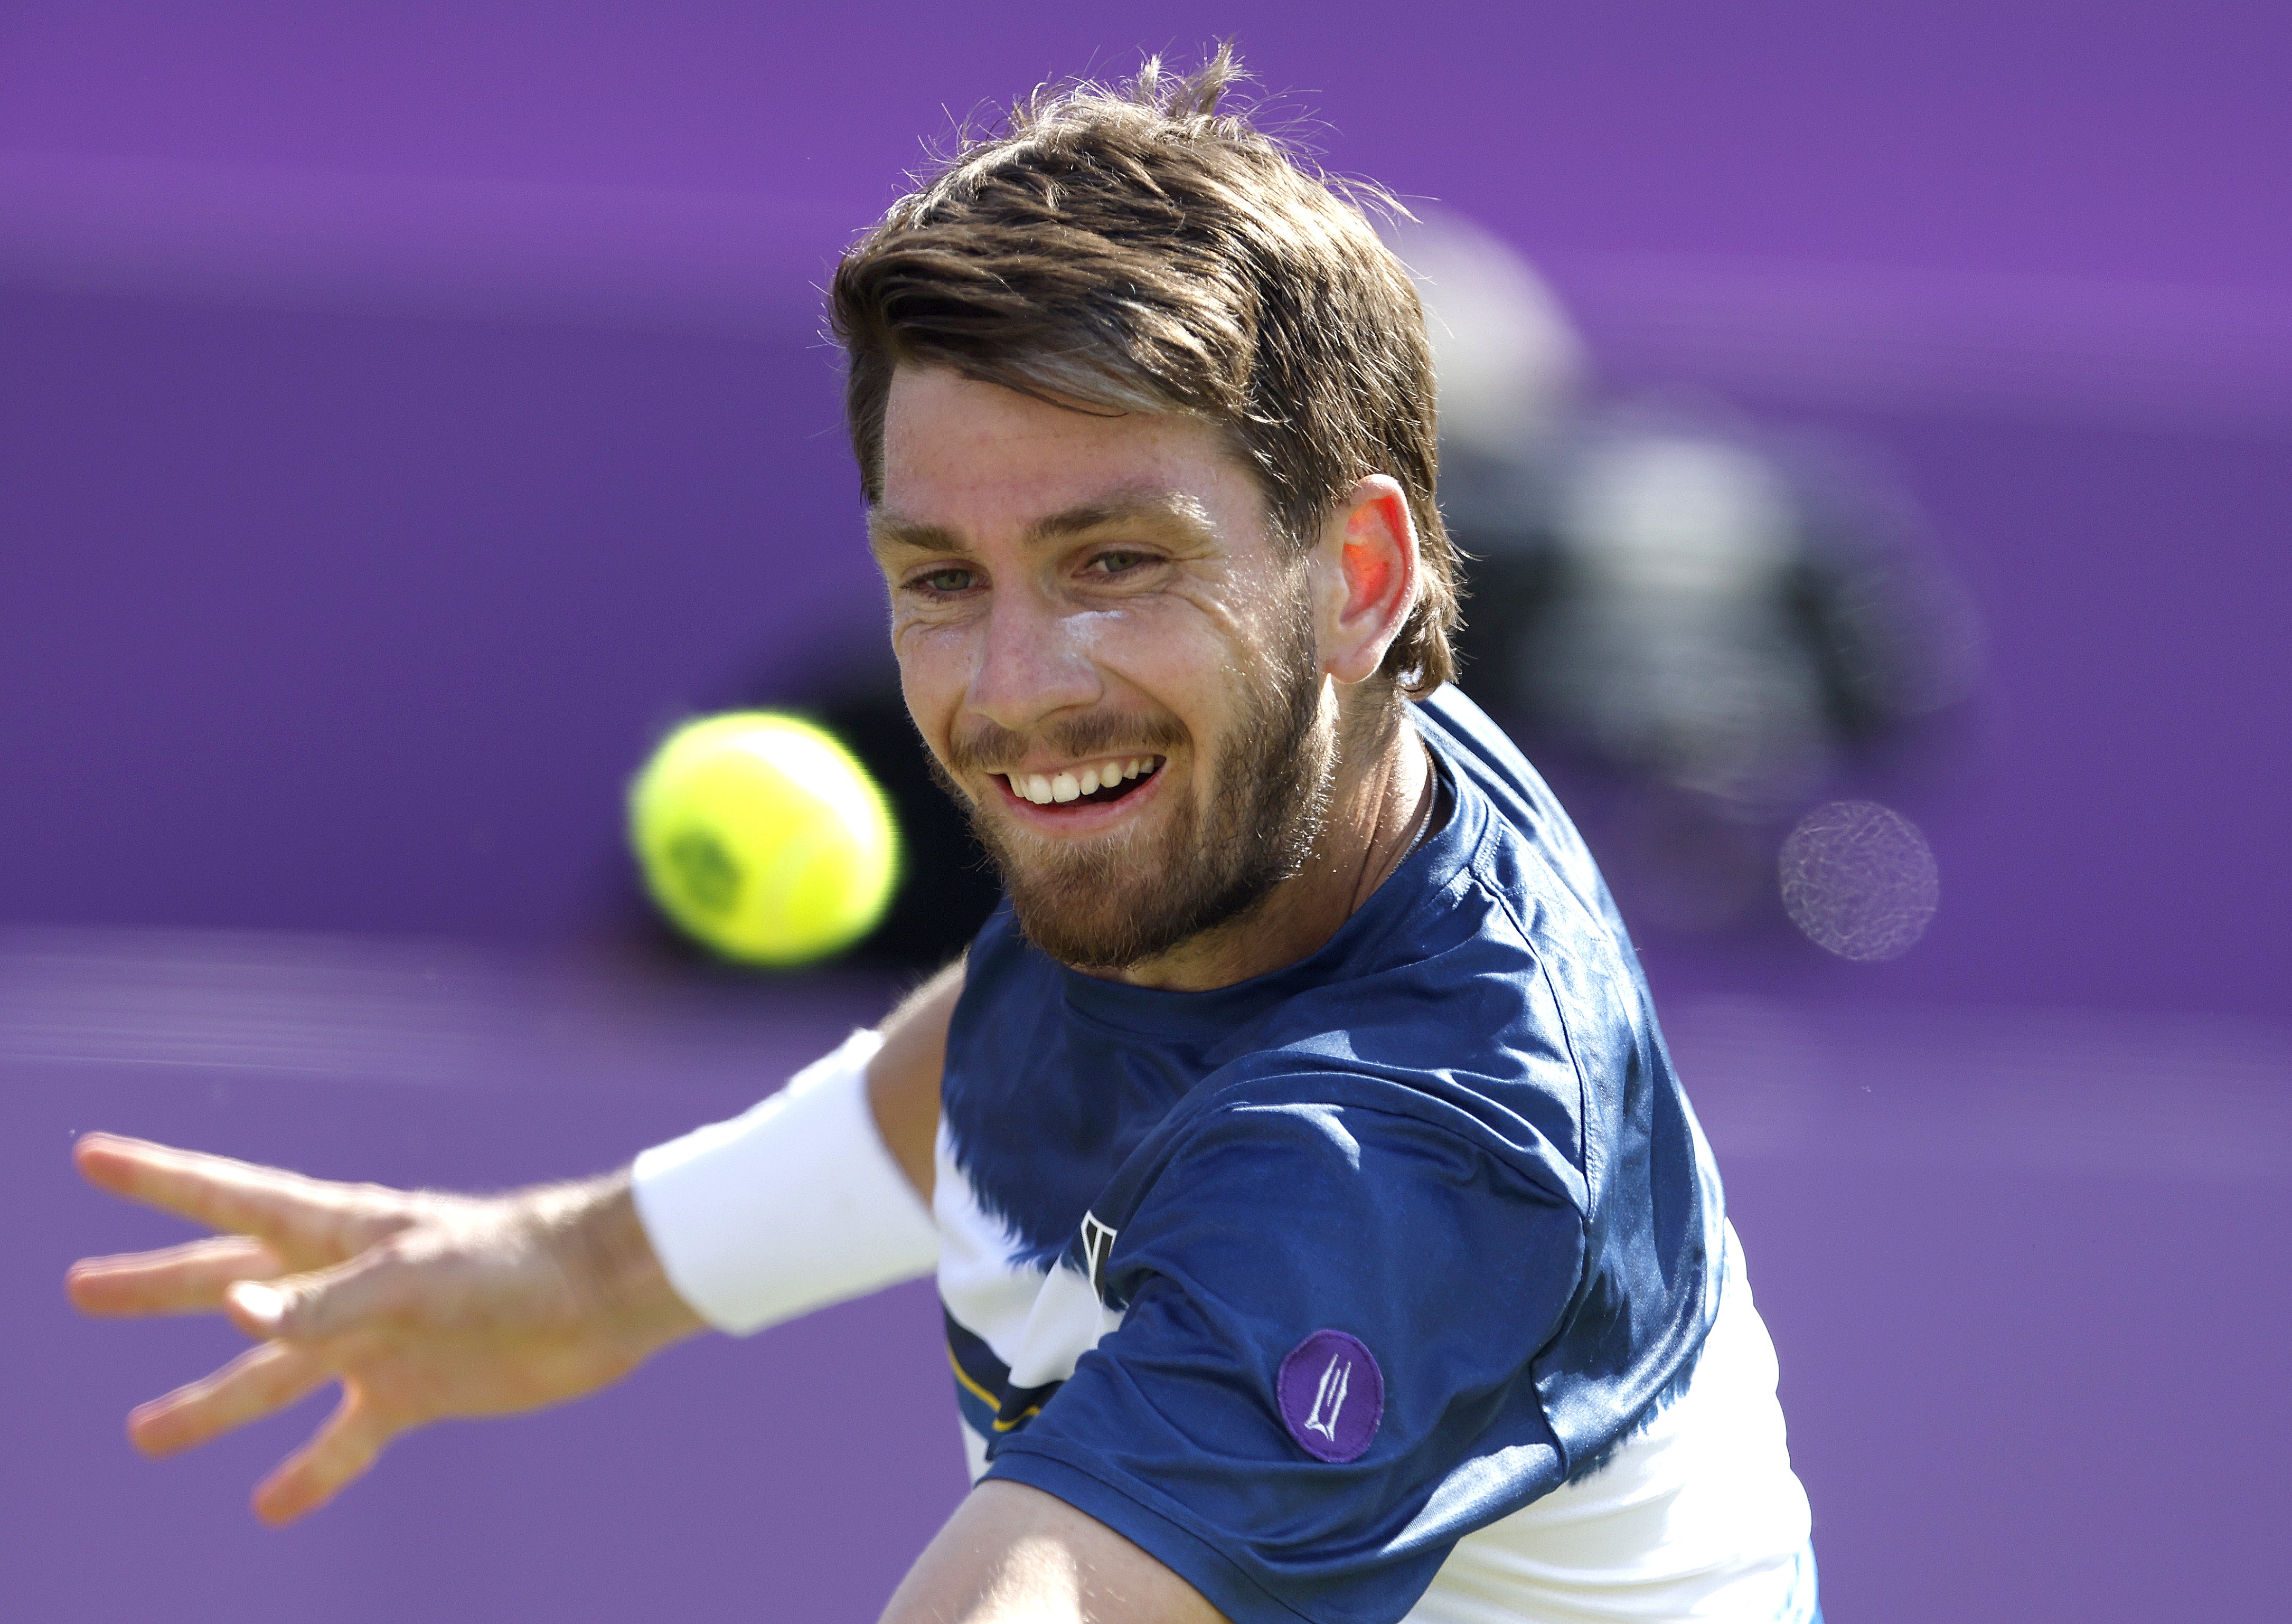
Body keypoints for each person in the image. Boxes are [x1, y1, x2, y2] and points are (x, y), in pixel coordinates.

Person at [65, 53, 1816, 1624]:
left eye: (1114, 561)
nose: (1013, 690)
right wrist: (600, 1264)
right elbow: (1021, 1037)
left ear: (1354, 576)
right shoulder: (1316, 782)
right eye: (939, 580)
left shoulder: (1406, 1156)